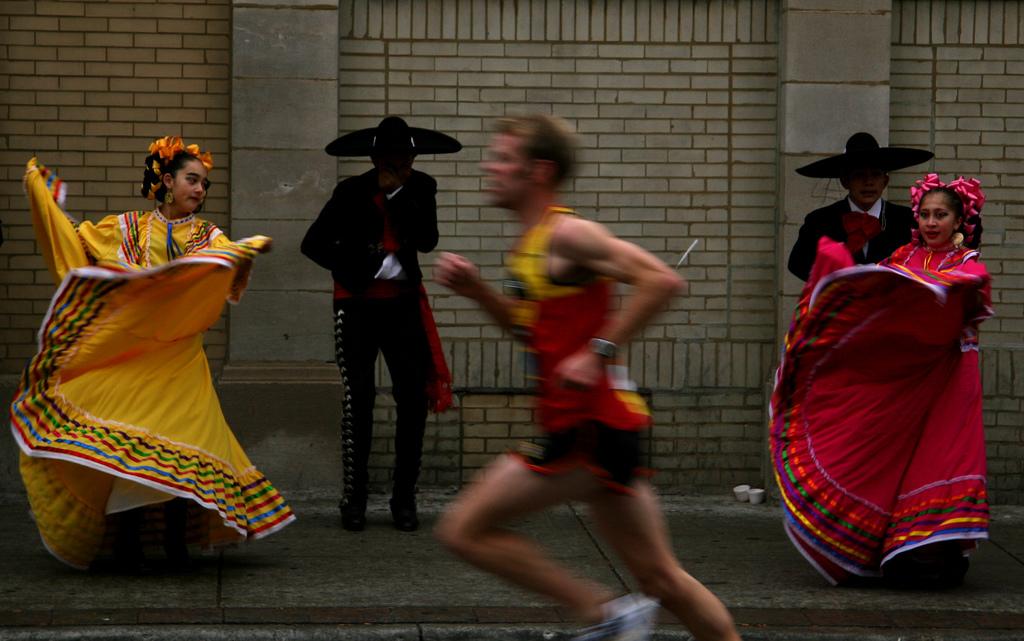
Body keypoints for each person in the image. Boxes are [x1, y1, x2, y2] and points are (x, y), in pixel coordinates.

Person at [433, 115, 740, 641]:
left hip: (590, 429)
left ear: (540, 171)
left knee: (464, 529)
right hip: (594, 426)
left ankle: (606, 616)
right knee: (662, 578)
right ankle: (613, 615)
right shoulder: (531, 245)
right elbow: (531, 331)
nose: (490, 166)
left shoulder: (569, 234)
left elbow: (661, 280)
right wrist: (479, 292)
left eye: (504, 157)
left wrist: (597, 353)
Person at [12, 137, 295, 571]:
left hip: (181, 359)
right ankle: (127, 543)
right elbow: (77, 244)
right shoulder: (125, 227)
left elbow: (224, 262)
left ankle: (177, 546)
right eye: (192, 180)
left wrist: (247, 249)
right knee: (131, 446)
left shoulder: (206, 234)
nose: (200, 190)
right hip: (137, 357)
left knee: (186, 444)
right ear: (167, 181)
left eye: (204, 184)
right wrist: (45, 199)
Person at [771, 173, 992, 588]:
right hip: (901, 380)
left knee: (938, 458)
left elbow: (962, 296)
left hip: (947, 380)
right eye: (925, 214)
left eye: (941, 215)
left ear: (960, 221)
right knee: (884, 455)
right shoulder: (904, 255)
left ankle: (935, 555)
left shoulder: (966, 264)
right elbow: (876, 299)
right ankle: (882, 547)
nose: (931, 222)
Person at [301, 116, 461, 532]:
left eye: (408, 160)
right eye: (395, 161)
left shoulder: (422, 189)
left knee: (411, 400)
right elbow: (313, 244)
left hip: (403, 307)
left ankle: (403, 500)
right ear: (376, 160)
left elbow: (427, 240)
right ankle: (354, 499)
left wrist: (399, 194)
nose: (403, 166)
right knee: (359, 401)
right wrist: (355, 268)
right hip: (356, 307)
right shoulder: (350, 191)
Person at [787, 132, 933, 281]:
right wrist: (839, 279)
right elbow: (798, 265)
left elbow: (925, 265)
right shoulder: (820, 221)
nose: (868, 182)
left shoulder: (907, 220)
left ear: (885, 181)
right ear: (845, 181)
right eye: (859, 175)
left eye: (875, 175)